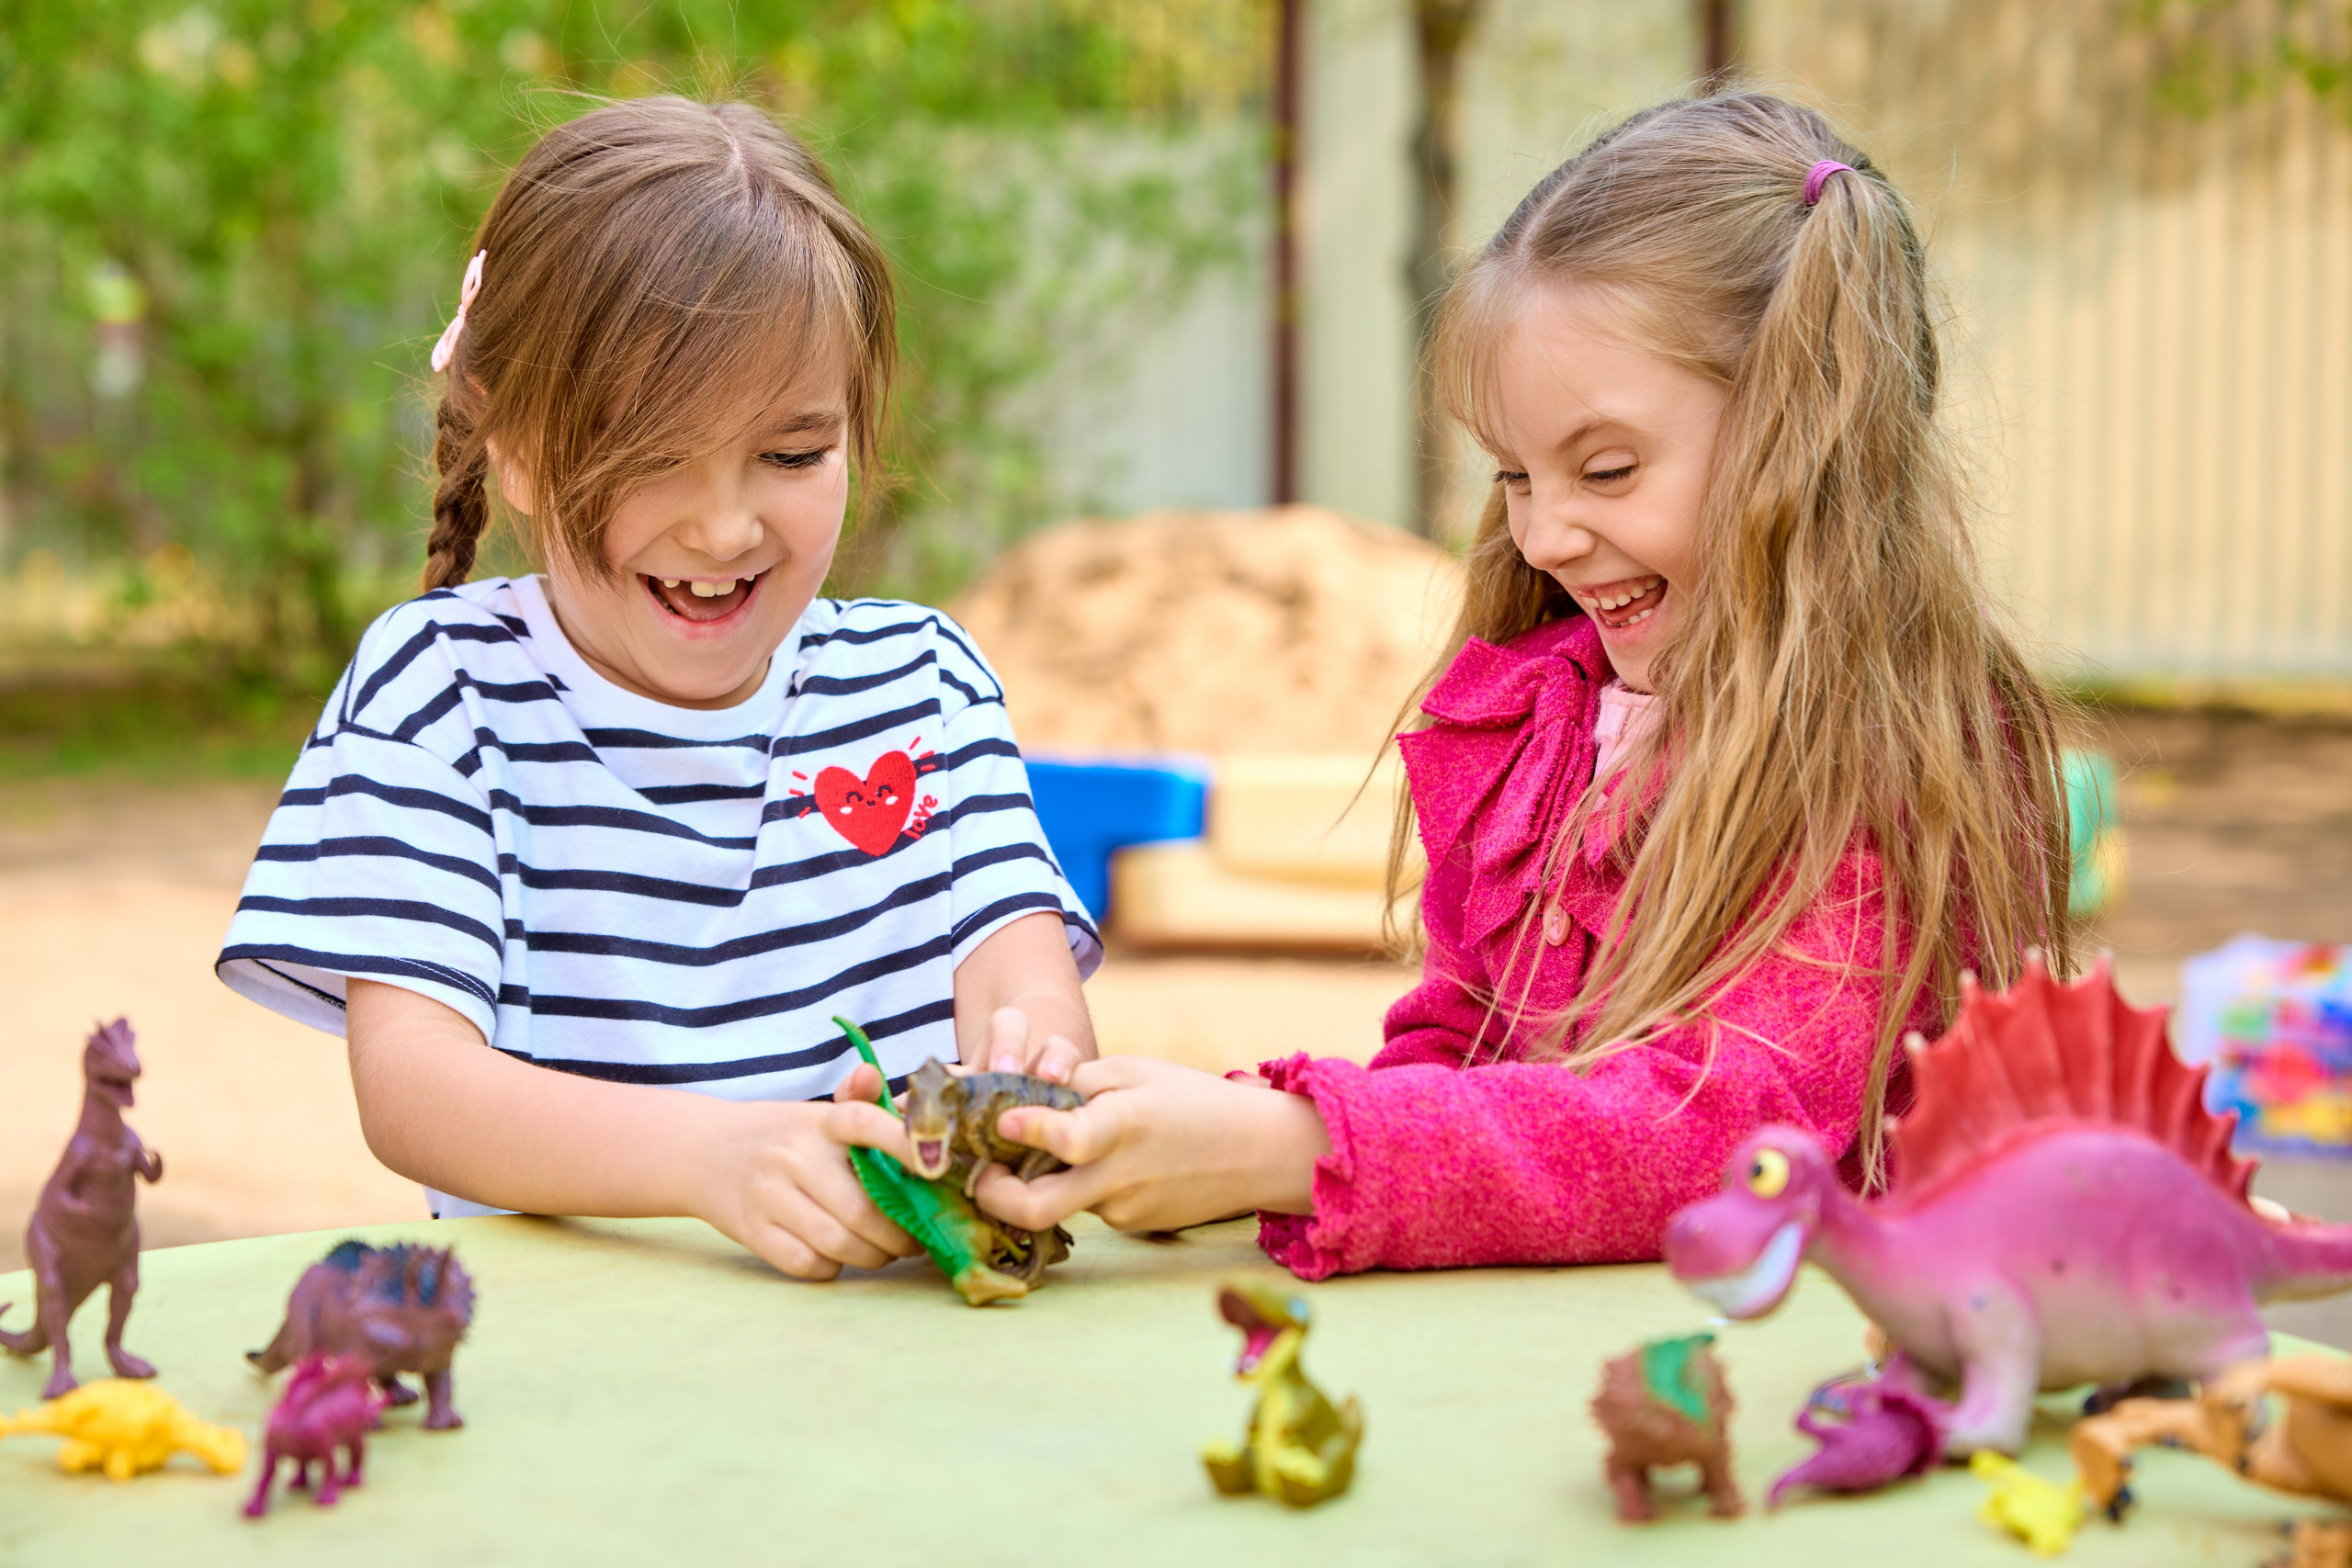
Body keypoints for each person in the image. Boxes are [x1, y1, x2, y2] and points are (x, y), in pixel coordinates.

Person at [962, 93, 2076, 1278]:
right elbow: (1463, 1036)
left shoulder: (1893, 753)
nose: (1542, 537)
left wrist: (1297, 1150)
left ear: (1809, 430)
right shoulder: (1544, 714)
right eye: (1513, 477)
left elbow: (1728, 1136)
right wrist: (1220, 1140)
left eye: (1604, 468)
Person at [216, 97, 1100, 1282]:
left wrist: (1030, 1080)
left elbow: (1021, 981)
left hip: (899, 1355)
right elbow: (415, 1091)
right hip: (576, 1369)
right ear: (515, 441)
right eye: (650, 458)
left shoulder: (924, 683)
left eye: (791, 455)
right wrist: (710, 1161)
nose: (726, 524)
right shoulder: (442, 692)